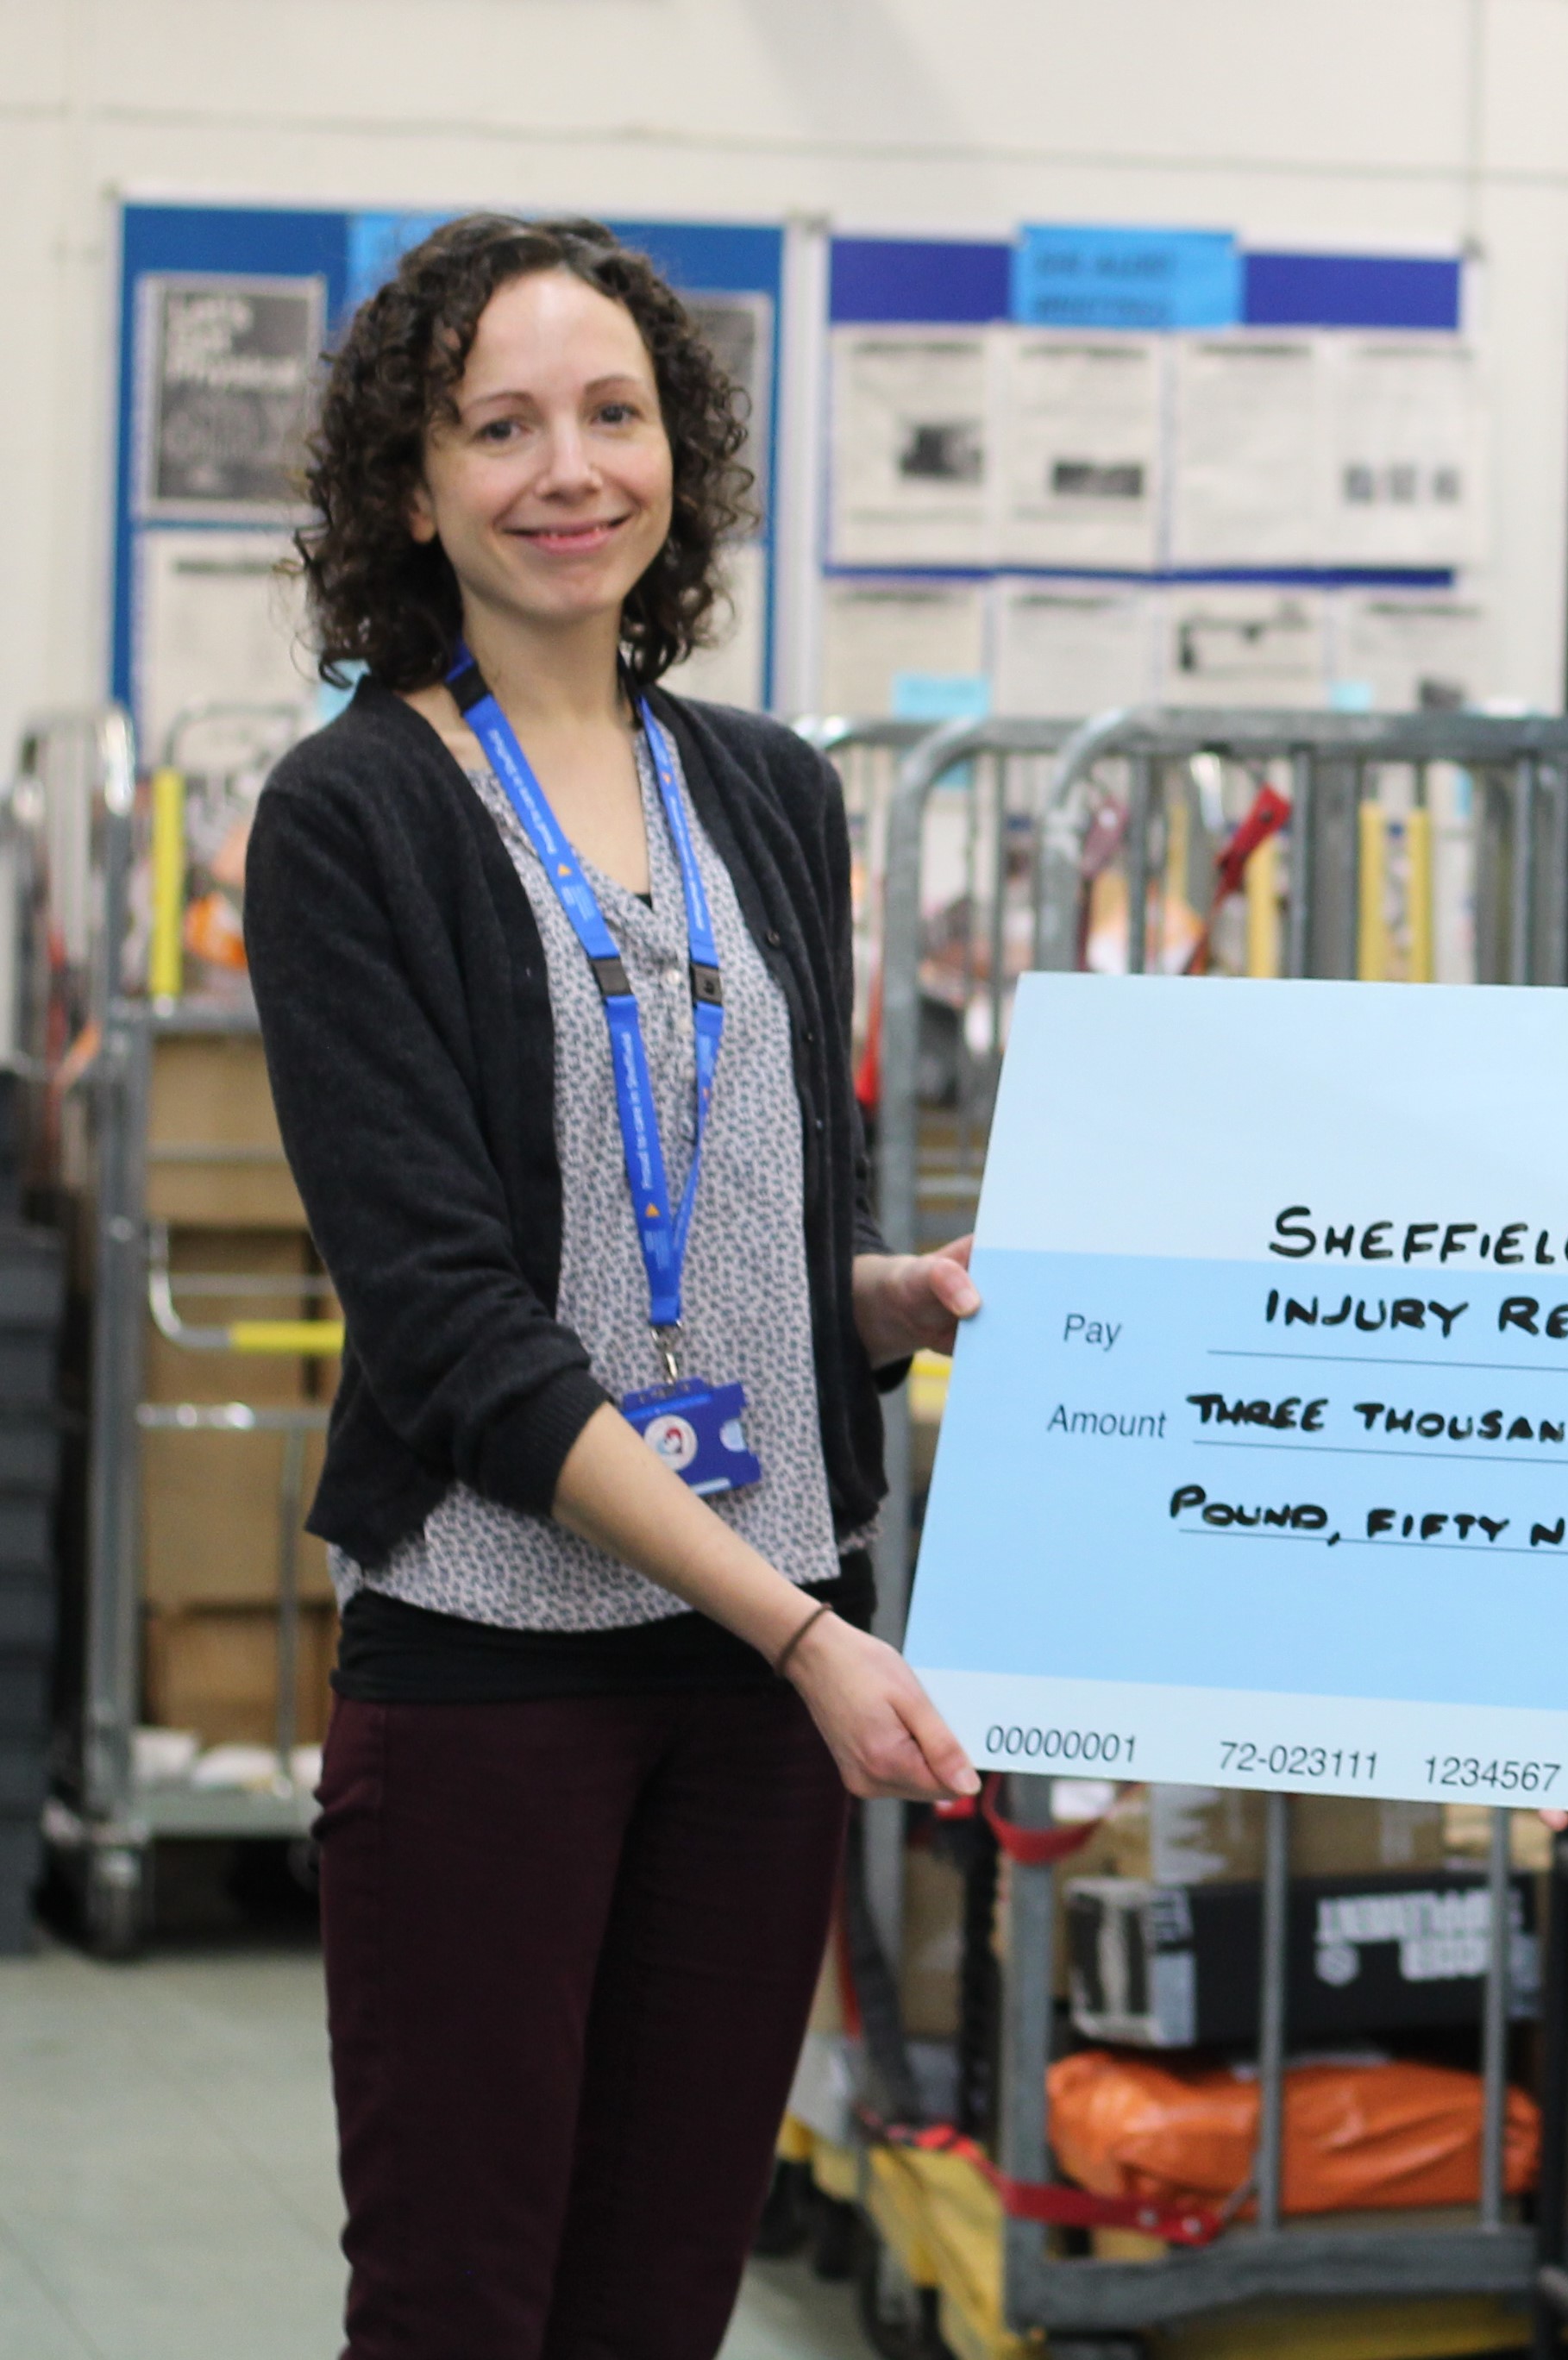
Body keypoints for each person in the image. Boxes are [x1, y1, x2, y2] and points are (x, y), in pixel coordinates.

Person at [248, 214, 983, 2357]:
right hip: (502, 1672)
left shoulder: (767, 790)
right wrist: (809, 1636)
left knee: (661, 2301)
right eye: (500, 427)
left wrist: (880, 1304)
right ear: (413, 484)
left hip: (750, 1689)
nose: (567, 470)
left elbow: (701, 1239)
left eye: (612, 414)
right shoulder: (352, 817)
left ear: (681, 454)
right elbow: (464, 1331)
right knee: (469, 2302)